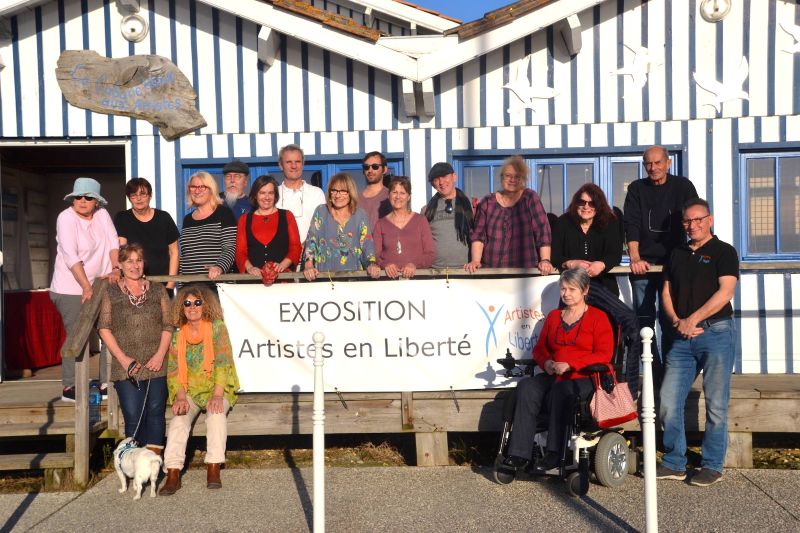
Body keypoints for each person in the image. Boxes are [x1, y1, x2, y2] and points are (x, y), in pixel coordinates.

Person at [657, 198, 739, 487]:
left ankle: (712, 464)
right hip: (681, 337)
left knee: (716, 403)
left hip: (715, 333)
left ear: (709, 220)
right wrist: (678, 321)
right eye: (687, 221)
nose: (692, 226)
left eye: (697, 220)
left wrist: (693, 319)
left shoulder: (723, 252)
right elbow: (666, 292)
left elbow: (725, 292)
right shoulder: (676, 253)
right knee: (668, 401)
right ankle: (674, 461)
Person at [502, 268, 614, 472]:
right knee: (527, 385)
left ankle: (554, 452)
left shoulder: (598, 317)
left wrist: (572, 365)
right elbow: (540, 349)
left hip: (585, 377)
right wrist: (546, 363)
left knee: (562, 390)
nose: (566, 293)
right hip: (554, 374)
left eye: (572, 289)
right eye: (563, 289)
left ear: (585, 290)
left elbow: (604, 355)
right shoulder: (554, 317)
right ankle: (519, 454)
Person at [623, 145, 698, 384]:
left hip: (674, 262)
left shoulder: (682, 186)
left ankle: (672, 371)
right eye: (648, 163)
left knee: (671, 319)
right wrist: (634, 257)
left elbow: (696, 218)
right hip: (643, 264)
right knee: (644, 320)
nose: (652, 168)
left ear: (668, 163)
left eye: (657, 163)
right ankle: (654, 372)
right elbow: (631, 224)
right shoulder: (636, 188)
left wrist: (699, 250)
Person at [159, 285, 240, 495]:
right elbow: (175, 370)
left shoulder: (217, 328)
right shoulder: (178, 336)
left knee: (216, 414)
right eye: (187, 303)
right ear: (181, 308)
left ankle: (213, 467)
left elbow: (223, 362)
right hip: (190, 391)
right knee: (178, 420)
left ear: (206, 306)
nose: (192, 307)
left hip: (217, 388)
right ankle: (173, 472)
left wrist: (217, 395)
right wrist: (180, 397)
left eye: (197, 302)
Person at [97, 244, 172, 454]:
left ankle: (154, 463)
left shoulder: (157, 289)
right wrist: (123, 359)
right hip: (126, 366)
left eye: (138, 260)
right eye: (129, 261)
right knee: (133, 414)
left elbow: (168, 324)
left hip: (156, 362)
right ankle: (135, 462)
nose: (134, 265)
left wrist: (159, 355)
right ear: (120, 264)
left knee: (156, 412)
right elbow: (104, 327)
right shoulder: (110, 292)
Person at [50, 177, 119, 402]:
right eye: (78, 196)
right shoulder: (65, 217)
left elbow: (113, 245)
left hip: (101, 283)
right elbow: (71, 255)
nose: (82, 200)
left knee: (108, 331)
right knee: (77, 335)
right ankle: (70, 386)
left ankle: (106, 382)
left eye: (88, 197)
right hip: (70, 287)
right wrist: (86, 287)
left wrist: (116, 268)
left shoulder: (102, 215)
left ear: (96, 201)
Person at [466, 155, 554, 275]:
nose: (512, 180)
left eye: (517, 176)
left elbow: (542, 231)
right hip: (492, 272)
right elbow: (478, 235)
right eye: (508, 176)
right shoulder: (487, 202)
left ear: (523, 179)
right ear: (501, 177)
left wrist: (545, 260)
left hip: (525, 272)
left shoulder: (530, 198)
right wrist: (475, 261)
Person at [303, 173, 380, 280]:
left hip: (354, 278)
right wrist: (308, 264)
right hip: (325, 277)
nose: (337, 195)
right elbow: (312, 240)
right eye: (334, 190)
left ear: (351, 193)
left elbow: (367, 244)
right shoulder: (321, 211)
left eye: (343, 191)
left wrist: (371, 264)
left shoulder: (360, 215)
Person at [552, 183, 623, 295]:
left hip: (604, 287)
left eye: (592, 203)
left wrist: (602, 264)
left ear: (599, 205)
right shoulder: (563, 222)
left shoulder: (610, 222)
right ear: (576, 204)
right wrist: (570, 263)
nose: (586, 207)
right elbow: (555, 255)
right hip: (572, 288)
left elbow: (616, 254)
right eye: (582, 202)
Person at [114, 177, 179, 291]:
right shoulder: (122, 218)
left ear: (150, 195)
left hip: (162, 284)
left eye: (143, 194)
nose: (139, 199)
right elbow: (122, 250)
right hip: (134, 284)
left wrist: (170, 284)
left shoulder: (164, 217)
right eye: (134, 195)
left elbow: (174, 252)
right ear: (129, 198)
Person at [236, 175, 302, 282]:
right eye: (262, 193)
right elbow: (240, 251)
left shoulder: (287, 216)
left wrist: (282, 265)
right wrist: (250, 268)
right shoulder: (244, 219)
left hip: (282, 280)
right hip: (253, 281)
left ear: (275, 195)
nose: (267, 197)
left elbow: (295, 247)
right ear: (255, 195)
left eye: (271, 193)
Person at [372, 176, 435, 279]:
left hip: (417, 280)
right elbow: (375, 255)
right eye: (394, 192)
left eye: (402, 193)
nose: (398, 197)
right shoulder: (380, 224)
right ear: (388, 195)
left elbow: (430, 254)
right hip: (389, 281)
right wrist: (385, 265)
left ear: (408, 197)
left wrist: (414, 264)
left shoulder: (420, 220)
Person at [179, 172, 237, 282]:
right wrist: (182, 283)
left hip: (216, 285)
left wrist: (219, 267)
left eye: (202, 187)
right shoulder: (187, 220)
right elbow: (185, 255)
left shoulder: (224, 213)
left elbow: (230, 248)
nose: (197, 191)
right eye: (193, 187)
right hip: (190, 287)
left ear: (211, 189)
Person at [421, 162, 474, 269]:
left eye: (444, 176)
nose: (441, 182)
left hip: (466, 270)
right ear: (433, 184)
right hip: (435, 270)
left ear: (454, 177)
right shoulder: (426, 210)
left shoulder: (470, 206)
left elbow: (478, 236)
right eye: (436, 179)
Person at [275, 144, 326, 243]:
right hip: (282, 256)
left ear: (303, 164)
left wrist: (307, 248)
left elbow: (322, 227)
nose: (294, 166)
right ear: (280, 165)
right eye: (289, 162)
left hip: (311, 254)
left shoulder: (316, 193)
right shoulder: (273, 194)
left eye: (297, 162)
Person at [358, 151, 391, 230]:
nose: (370, 170)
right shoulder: (355, 198)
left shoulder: (391, 196)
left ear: (385, 169)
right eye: (366, 167)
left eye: (375, 166)